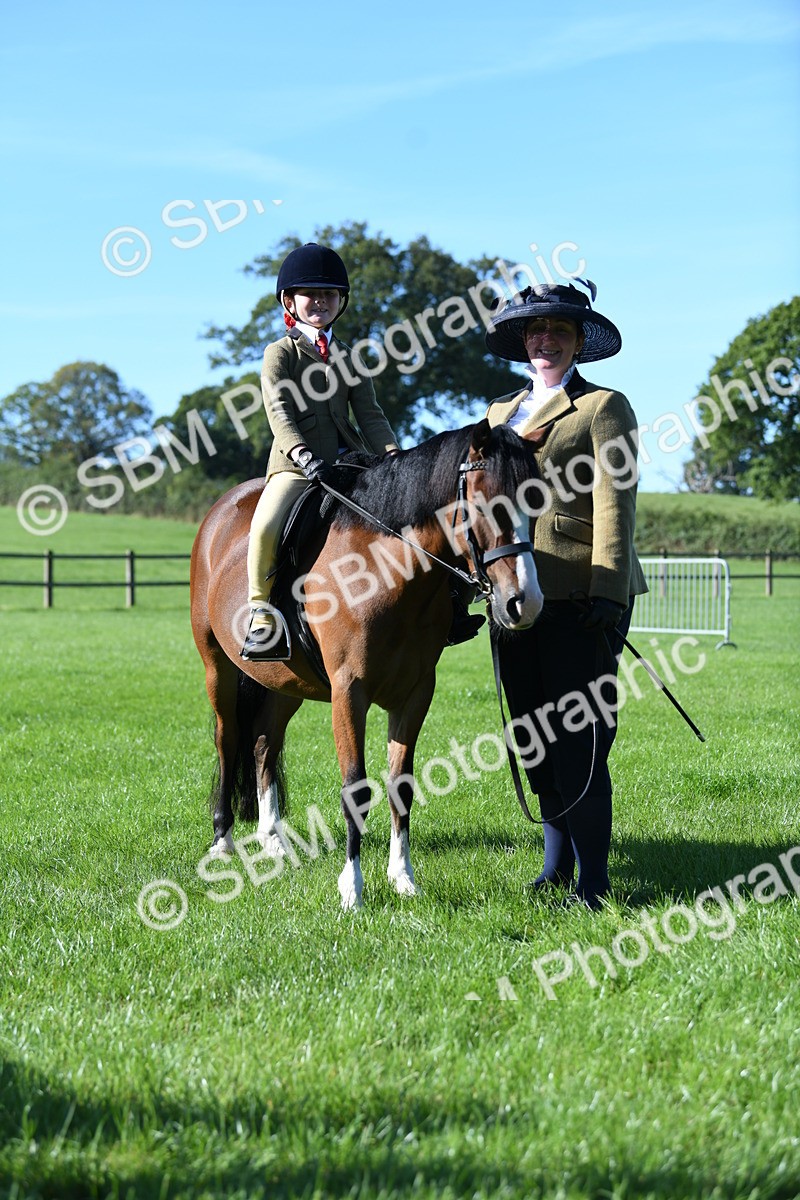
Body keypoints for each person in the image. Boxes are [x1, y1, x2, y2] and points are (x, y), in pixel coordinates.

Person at [484, 281, 647, 908]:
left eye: (557, 330)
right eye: (534, 331)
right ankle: (553, 867)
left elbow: (616, 502)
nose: (544, 339)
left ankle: (594, 881)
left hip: (582, 598)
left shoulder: (605, 407)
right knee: (530, 736)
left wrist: (609, 590)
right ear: (524, 343)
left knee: (578, 740)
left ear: (578, 341)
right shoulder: (499, 414)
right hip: (514, 601)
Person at [241, 241, 483, 661]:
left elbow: (370, 414)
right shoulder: (279, 353)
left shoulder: (350, 357)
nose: (320, 301)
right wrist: (301, 455)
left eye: (329, 295)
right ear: (289, 301)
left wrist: (393, 456)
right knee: (264, 526)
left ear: (341, 302)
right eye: (311, 294)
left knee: (419, 518)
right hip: (296, 467)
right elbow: (278, 411)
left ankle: (450, 607)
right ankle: (262, 616)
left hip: (351, 464)